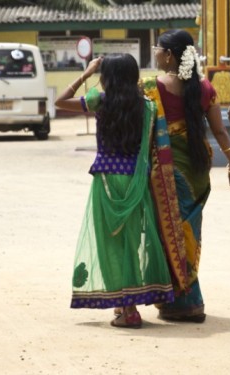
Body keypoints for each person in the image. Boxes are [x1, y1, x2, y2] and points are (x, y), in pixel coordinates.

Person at [55, 54, 175, 329]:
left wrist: (86, 74)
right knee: (132, 242)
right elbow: (153, 148)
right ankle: (127, 304)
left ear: (107, 77)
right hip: (136, 182)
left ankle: (127, 309)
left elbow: (59, 102)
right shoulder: (148, 106)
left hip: (107, 179)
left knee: (110, 243)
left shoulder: (100, 100)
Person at [141, 29, 230, 323]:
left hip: (166, 171)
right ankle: (189, 297)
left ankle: (183, 300)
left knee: (170, 231)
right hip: (197, 173)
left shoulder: (150, 87)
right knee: (189, 232)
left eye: (158, 48)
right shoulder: (204, 88)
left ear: (169, 55)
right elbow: (221, 131)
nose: (156, 52)